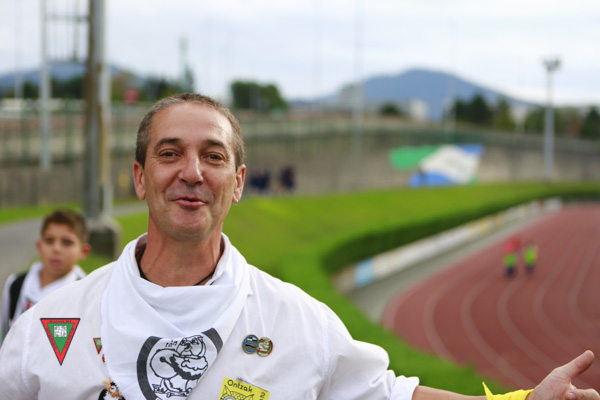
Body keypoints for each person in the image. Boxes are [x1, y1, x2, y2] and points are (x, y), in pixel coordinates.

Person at [0, 93, 597, 400]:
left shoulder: (299, 323)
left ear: (238, 182)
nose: (192, 172)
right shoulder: (46, 327)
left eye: (213, 156)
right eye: (170, 153)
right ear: (138, 177)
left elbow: (390, 394)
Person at [0, 209, 89, 346]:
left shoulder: (86, 294)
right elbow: (5, 336)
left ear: (83, 251)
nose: (56, 248)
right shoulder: (16, 284)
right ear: (39, 246)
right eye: (49, 241)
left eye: (67, 242)